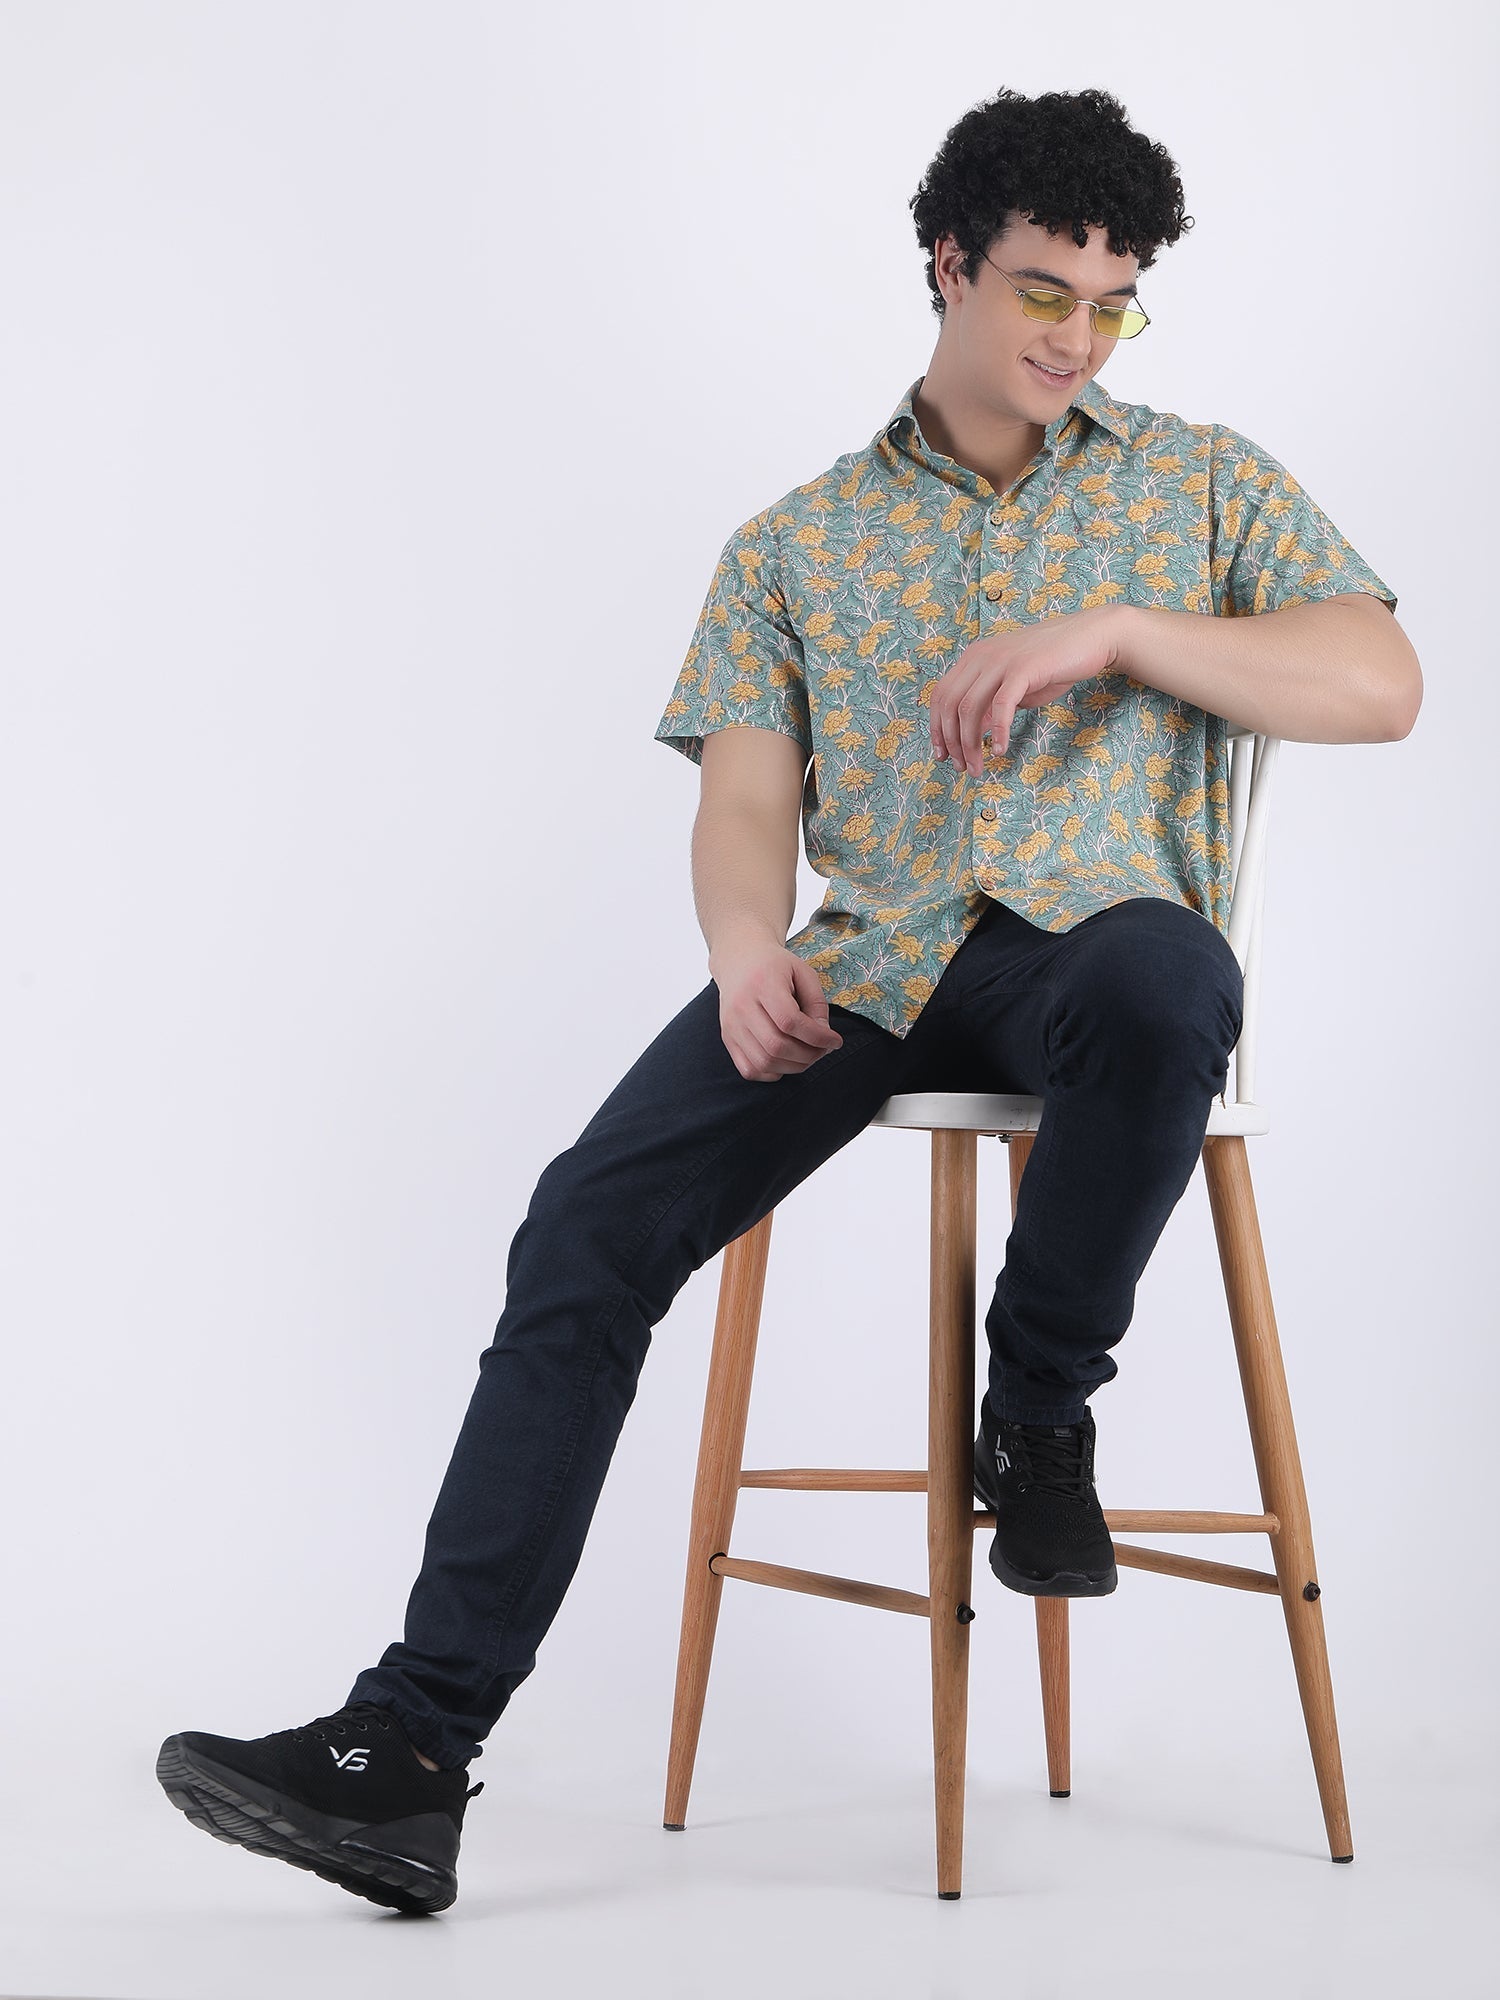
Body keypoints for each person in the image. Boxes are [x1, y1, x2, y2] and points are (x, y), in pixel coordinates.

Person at [156, 85, 1420, 1915]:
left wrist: (1123, 632)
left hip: (1093, 957)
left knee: (1172, 972)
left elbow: (1381, 681)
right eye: (1042, 292)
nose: (1076, 338)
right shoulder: (794, 544)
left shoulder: (1201, 482)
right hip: (873, 965)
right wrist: (746, 950)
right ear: (948, 264)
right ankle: (411, 1753)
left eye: (1111, 306)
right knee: (585, 1227)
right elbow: (747, 803)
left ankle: (1037, 1405)